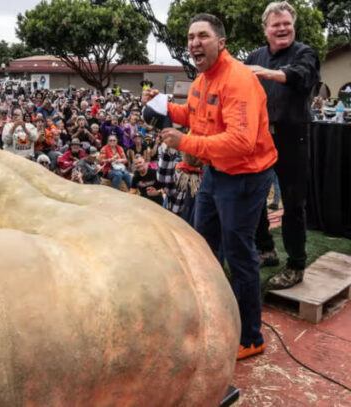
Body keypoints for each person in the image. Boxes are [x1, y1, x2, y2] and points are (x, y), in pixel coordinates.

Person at [147, 13, 278, 361]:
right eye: (190, 37)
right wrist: (165, 109)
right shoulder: (202, 80)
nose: (193, 43)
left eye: (202, 36)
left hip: (246, 177)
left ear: (221, 42)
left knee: (239, 253)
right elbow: (195, 115)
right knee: (202, 245)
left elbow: (241, 142)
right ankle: (212, 314)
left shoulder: (239, 80)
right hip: (217, 173)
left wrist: (184, 143)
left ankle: (251, 336)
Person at [246, 1, 320, 288]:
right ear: (266, 30)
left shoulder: (304, 53)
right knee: (254, 196)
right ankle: (266, 249)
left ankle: (296, 265)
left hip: (294, 137)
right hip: (262, 137)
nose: (282, 28)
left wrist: (267, 73)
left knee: (293, 203)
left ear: (293, 26)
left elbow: (302, 77)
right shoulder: (255, 56)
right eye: (276, 24)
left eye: (287, 23)